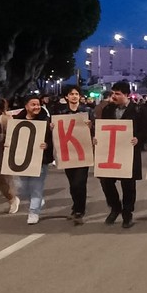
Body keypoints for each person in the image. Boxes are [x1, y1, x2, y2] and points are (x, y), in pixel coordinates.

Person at [98, 81, 147, 228]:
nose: (114, 96)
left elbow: (146, 129)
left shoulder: (138, 110)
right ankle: (115, 207)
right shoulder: (108, 110)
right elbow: (102, 128)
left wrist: (138, 139)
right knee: (106, 181)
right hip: (111, 153)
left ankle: (127, 213)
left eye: (117, 94)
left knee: (128, 185)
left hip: (129, 152)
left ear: (126, 95)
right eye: (113, 93)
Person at [12, 96, 53, 225]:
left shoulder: (46, 121)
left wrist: (47, 145)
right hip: (22, 160)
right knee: (22, 187)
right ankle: (38, 200)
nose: (36, 107)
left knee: (36, 187)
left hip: (40, 159)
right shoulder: (16, 121)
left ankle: (34, 212)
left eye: (38, 104)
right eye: (33, 104)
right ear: (26, 106)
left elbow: (53, 139)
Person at [56, 85, 93, 224]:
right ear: (66, 97)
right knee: (72, 183)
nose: (74, 96)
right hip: (67, 153)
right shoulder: (61, 112)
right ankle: (76, 206)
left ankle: (80, 210)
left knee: (80, 182)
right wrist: (52, 127)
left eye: (76, 94)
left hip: (83, 151)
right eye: (71, 94)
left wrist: (91, 126)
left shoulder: (87, 111)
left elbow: (96, 129)